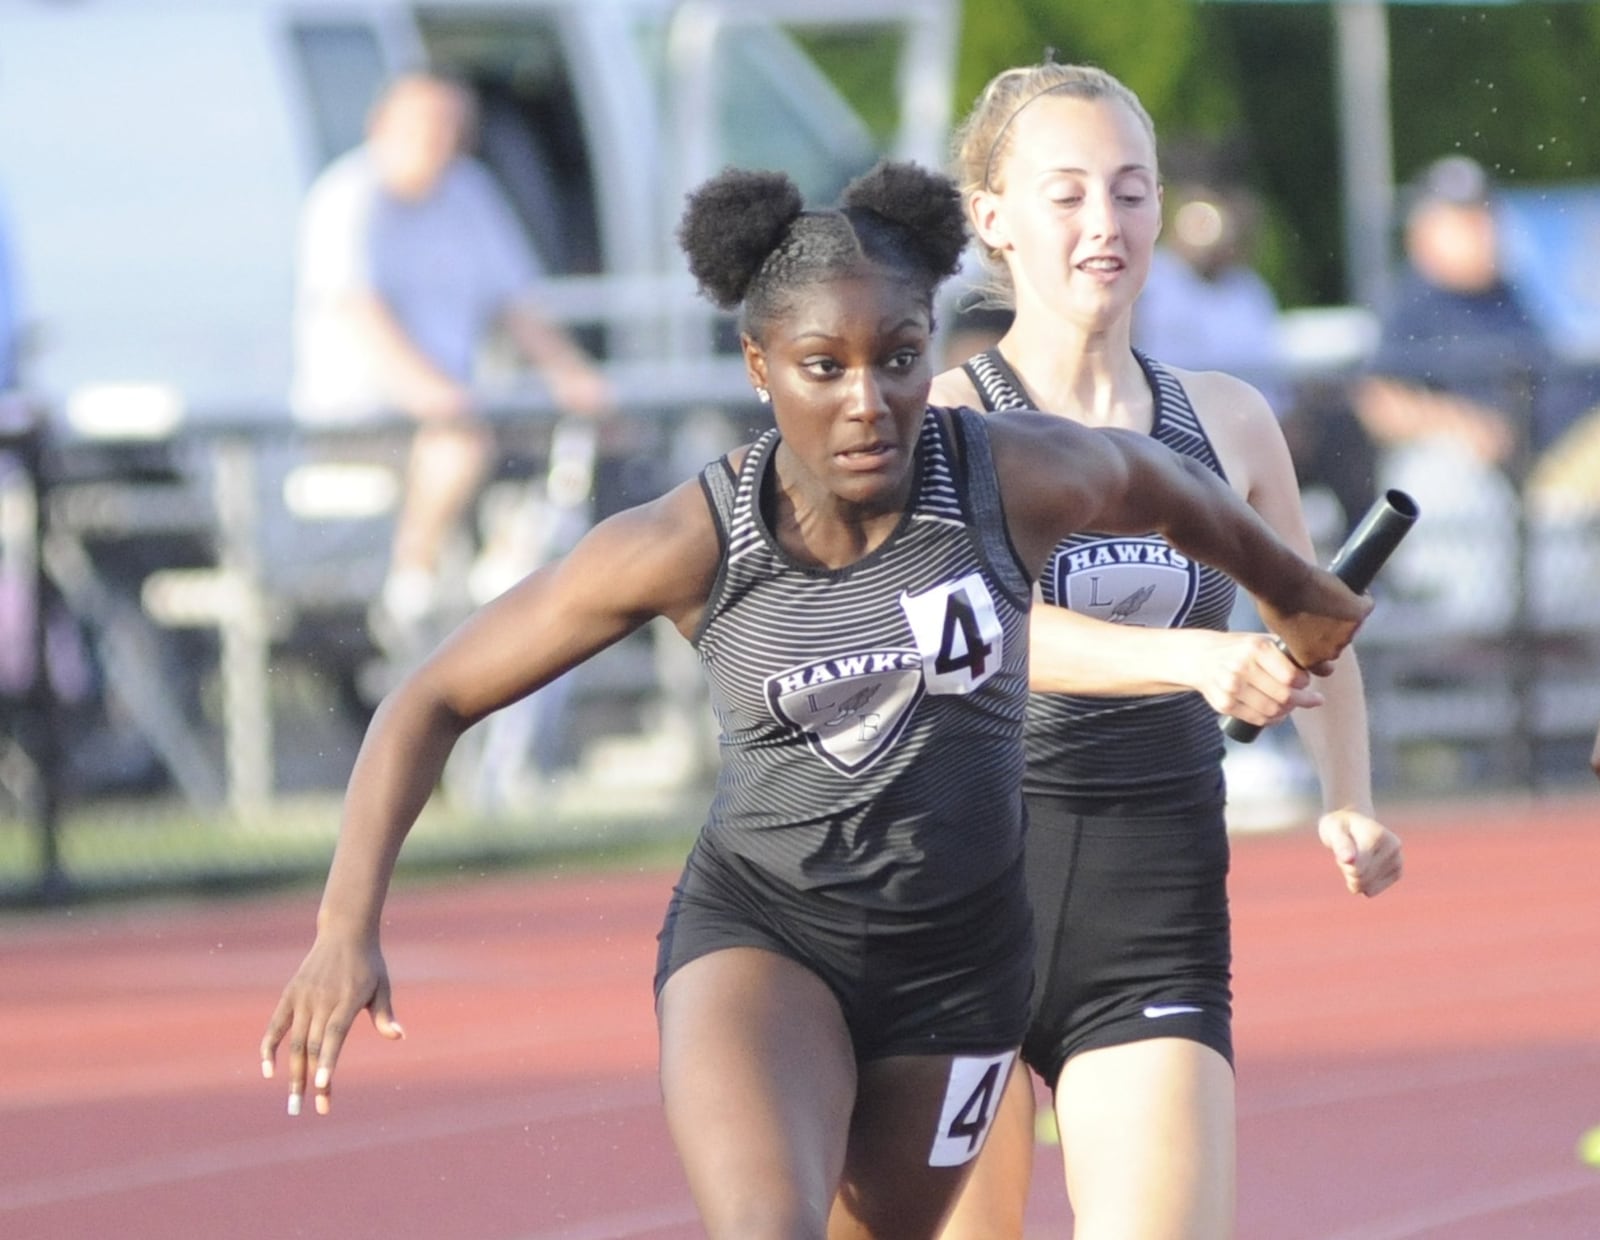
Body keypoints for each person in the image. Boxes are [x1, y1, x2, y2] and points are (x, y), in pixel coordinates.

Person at [260, 158, 1371, 1240]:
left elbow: (1158, 481)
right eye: (821, 366)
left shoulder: (1005, 477)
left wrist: (1295, 590)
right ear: (758, 366)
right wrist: (344, 925)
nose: (868, 402)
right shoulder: (690, 540)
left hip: (963, 972)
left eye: (896, 358)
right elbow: (433, 695)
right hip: (769, 938)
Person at [929, 63, 1404, 1240]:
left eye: (1132, 192)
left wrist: (1347, 796)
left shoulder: (1227, 420)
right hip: (950, 913)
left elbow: (1318, 626)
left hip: (1152, 912)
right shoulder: (942, 416)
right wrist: (1192, 662)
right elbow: (971, 633)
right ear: (990, 214)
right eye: (1069, 193)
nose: (1108, 224)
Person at [289, 71, 611, 648]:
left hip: (458, 404)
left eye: (450, 128)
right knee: (456, 441)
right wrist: (435, 397)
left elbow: (517, 307)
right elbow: (360, 315)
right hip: (363, 416)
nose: (438, 140)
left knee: (580, 440)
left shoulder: (469, 191)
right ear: (382, 126)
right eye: (425, 126)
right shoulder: (348, 197)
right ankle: (412, 583)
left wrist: (574, 378)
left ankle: (517, 572)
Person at [1352, 154, 1552, 631]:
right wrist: (1461, 424)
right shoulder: (1414, 303)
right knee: (1444, 473)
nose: (1479, 229)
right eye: (1460, 219)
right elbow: (1376, 400)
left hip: (1541, 476)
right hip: (1471, 483)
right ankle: (1468, 632)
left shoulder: (1508, 297)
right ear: (1424, 231)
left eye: (1481, 216)